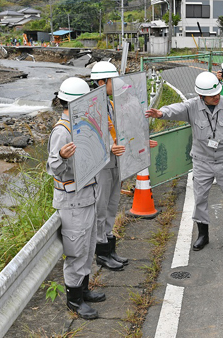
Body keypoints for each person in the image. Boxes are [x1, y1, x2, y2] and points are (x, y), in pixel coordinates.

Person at [145, 72, 223, 251]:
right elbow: (177, 109)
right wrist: (161, 113)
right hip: (202, 161)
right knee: (200, 198)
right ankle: (203, 235)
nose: (216, 97)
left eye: (217, 93)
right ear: (201, 96)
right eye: (211, 95)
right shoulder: (192, 106)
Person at [47, 77, 104, 320]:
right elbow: (52, 166)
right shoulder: (63, 130)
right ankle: (74, 300)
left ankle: (84, 289)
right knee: (76, 251)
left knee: (88, 246)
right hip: (72, 201)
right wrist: (60, 155)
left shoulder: (81, 122)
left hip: (87, 195)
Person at [89, 61, 127, 271]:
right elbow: (87, 138)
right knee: (101, 207)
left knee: (112, 204)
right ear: (101, 82)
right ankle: (102, 252)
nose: (115, 84)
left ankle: (110, 247)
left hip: (115, 161)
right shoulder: (91, 106)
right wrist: (108, 147)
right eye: (112, 80)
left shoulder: (110, 104)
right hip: (101, 164)